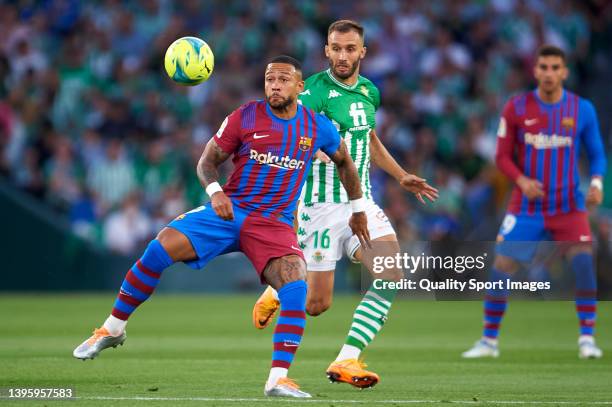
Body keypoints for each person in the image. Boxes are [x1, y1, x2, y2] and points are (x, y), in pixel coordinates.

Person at [73, 55, 371, 398]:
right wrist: (215, 192)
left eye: (283, 80)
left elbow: (346, 163)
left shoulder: (317, 127)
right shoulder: (245, 116)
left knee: (295, 283)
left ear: (299, 87)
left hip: (273, 223)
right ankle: (112, 329)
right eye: (269, 79)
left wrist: (358, 210)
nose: (274, 85)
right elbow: (207, 162)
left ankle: (278, 379)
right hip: (231, 210)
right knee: (158, 248)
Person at [252, 20, 438, 388]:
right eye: (335, 48)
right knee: (317, 305)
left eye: (350, 49)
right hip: (319, 207)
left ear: (363, 52)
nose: (342, 55)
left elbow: (367, 138)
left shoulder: (370, 91)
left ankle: (346, 359)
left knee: (391, 272)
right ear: (326, 50)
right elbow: (288, 135)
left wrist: (400, 175)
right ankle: (277, 289)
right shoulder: (312, 93)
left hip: (360, 202)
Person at [462, 45, 606, 359]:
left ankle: (587, 338)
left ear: (564, 71)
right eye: (544, 67)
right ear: (535, 71)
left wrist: (596, 182)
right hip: (527, 206)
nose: (549, 73)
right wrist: (522, 180)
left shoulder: (582, 110)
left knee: (583, 260)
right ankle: (489, 341)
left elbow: (596, 154)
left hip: (568, 204)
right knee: (502, 265)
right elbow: (501, 156)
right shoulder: (516, 107)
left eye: (556, 67)